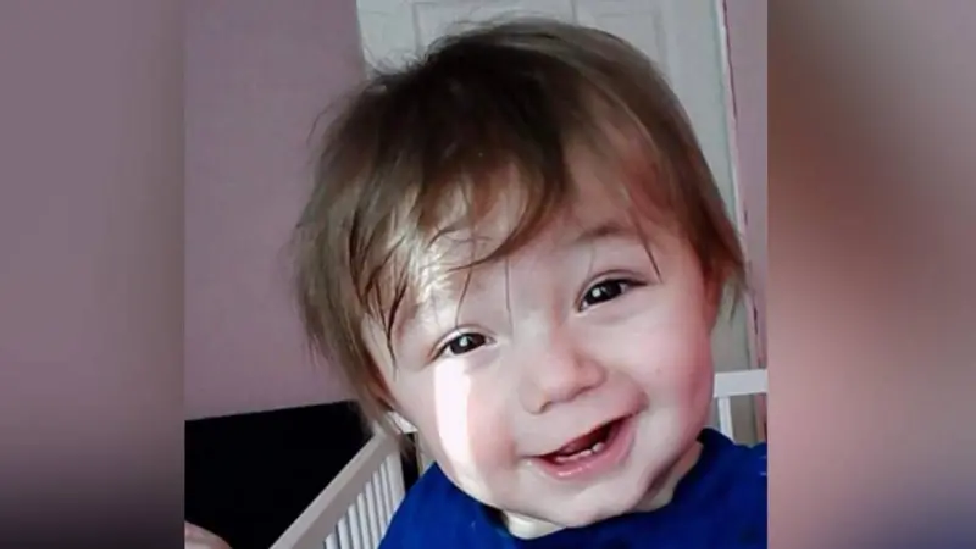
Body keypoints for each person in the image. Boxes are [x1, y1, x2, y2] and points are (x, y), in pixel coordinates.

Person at [291, 17, 766, 548]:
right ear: (390, 394)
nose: (559, 379)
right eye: (464, 341)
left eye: (605, 290)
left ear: (709, 278)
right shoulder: (427, 534)